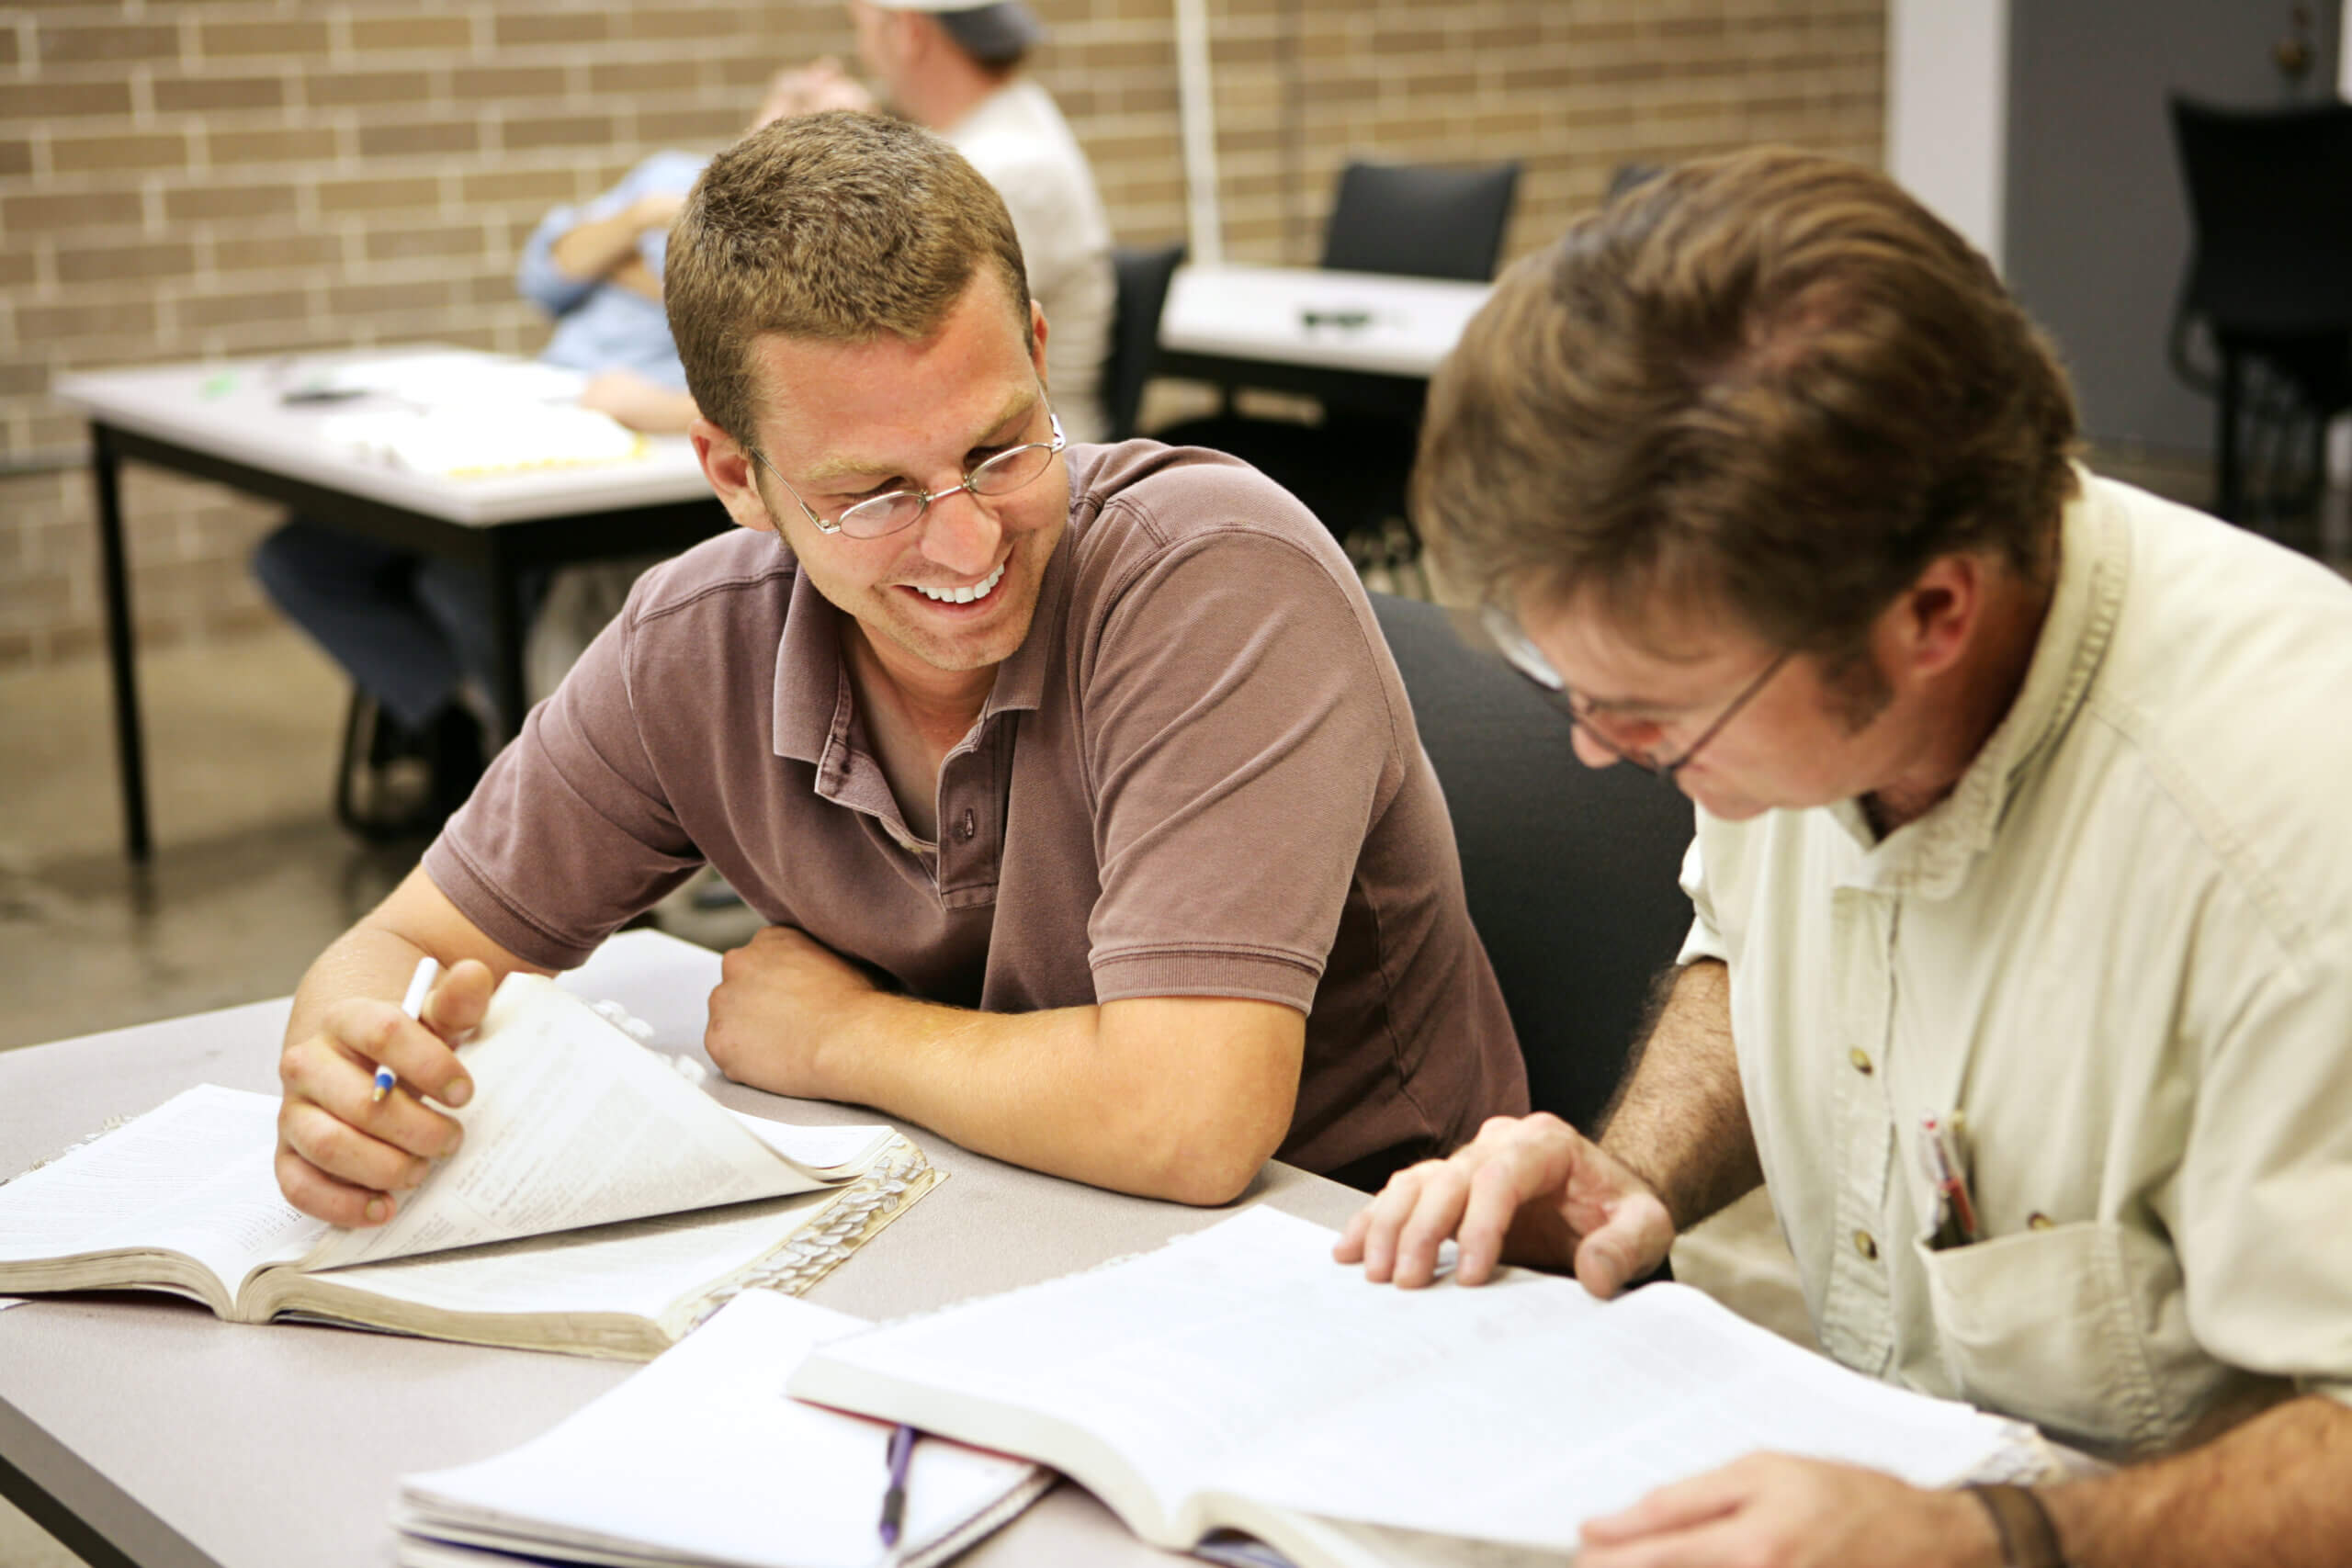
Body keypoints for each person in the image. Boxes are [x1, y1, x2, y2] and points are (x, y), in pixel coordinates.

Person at [1338, 148, 2352, 1567]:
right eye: (1567, 681)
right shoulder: (1797, 657)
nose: (1593, 749)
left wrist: (1991, 1537)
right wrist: (1635, 1174)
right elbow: (1749, 954)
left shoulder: (2292, 852)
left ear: (1933, 611)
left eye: (1656, 709)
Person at [272, 112, 1526, 1231]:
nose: (969, 541)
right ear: (733, 474)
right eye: (873, 494)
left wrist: (839, 1035)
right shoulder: (694, 645)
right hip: (1004, 1235)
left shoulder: (1212, 579)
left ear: (1038, 351)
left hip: (1373, 1276)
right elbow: (406, 944)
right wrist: (349, 1065)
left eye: (999, 446)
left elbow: (1188, 1118)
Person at [247, 68, 863, 815]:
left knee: (455, 576)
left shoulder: (812, 241)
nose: (793, 103)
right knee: (298, 556)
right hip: (530, 407)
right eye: (789, 91)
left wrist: (652, 362)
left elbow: (792, 391)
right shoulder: (672, 176)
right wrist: (643, 216)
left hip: (615, 442)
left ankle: (531, 784)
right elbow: (548, 271)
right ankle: (455, 719)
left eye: (819, 106)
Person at [799, 0, 1114, 442]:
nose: (863, 50)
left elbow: (885, 352)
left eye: (864, 29)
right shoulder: (1009, 122)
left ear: (908, 32)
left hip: (1022, 460)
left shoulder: (1006, 170)